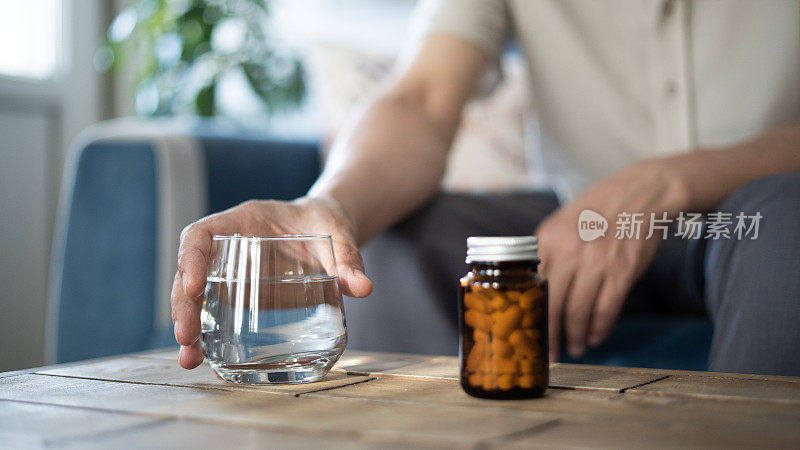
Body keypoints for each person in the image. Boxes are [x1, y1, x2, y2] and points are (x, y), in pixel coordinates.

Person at [171, 0, 800, 375]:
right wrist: (327, 204)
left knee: (788, 231)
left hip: (753, 214)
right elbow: (421, 98)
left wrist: (663, 182)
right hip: (580, 216)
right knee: (392, 248)